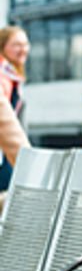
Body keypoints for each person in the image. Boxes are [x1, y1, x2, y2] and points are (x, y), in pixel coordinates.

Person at [0, 25, 29, 198]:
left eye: (25, 44)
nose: (23, 49)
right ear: (3, 46)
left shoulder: (12, 75)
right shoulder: (3, 76)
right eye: (17, 44)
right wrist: (27, 160)